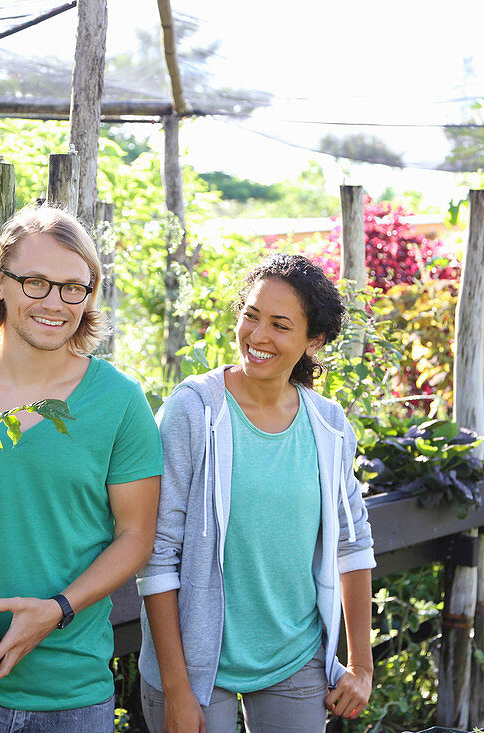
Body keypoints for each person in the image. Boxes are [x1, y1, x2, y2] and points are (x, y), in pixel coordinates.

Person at [0, 204, 163, 732]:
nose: (55, 303)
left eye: (73, 288)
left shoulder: (118, 401)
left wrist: (57, 609)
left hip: (69, 688)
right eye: (35, 283)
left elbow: (135, 537)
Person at [137, 253, 376, 732]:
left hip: (296, 658)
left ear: (315, 341)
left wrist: (362, 667)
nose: (258, 336)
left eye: (280, 325)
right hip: (194, 669)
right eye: (251, 315)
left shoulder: (327, 425)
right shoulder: (193, 411)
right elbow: (157, 555)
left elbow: (353, 544)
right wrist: (178, 691)